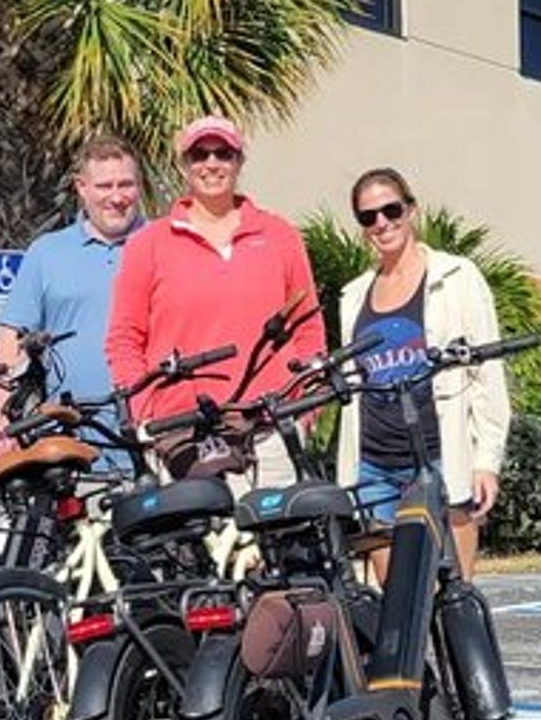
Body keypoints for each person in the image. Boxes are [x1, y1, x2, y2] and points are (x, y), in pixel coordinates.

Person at [106, 116, 323, 487]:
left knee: (276, 527)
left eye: (223, 154)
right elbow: (124, 338)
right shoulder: (148, 244)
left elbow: (308, 326)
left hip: (271, 432)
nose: (211, 164)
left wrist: (308, 406)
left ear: (239, 162)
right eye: (199, 155)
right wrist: (145, 411)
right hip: (182, 436)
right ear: (184, 165)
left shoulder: (279, 235)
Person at [333, 168, 511, 578]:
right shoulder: (354, 295)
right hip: (375, 465)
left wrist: (486, 461)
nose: (382, 223)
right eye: (368, 217)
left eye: (391, 210)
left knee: (454, 595)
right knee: (396, 601)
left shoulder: (456, 277)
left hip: (439, 456)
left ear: (411, 210)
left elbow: (486, 375)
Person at [0, 136, 145, 461]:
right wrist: (4, 425)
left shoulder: (163, 244)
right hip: (70, 448)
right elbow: (11, 343)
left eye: (126, 185)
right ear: (81, 188)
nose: (117, 197)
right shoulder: (46, 253)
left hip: (154, 442)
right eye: (104, 186)